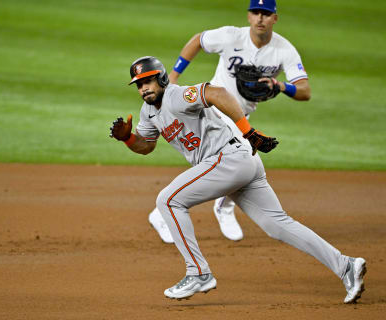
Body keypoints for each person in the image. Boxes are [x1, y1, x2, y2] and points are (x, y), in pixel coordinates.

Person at [109, 55, 367, 303]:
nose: (143, 88)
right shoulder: (148, 113)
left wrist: (248, 130)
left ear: (162, 78)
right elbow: (147, 146)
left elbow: (217, 93)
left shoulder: (177, 95)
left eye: (148, 81)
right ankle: (346, 266)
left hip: (227, 158)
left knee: (168, 200)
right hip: (236, 164)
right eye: (139, 84)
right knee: (276, 224)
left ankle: (198, 272)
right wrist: (128, 138)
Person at [148, 0, 311, 243]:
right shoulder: (230, 36)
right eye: (256, 12)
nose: (260, 18)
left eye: (266, 14)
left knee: (224, 164)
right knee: (235, 161)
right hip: (212, 109)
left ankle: (198, 207)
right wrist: (172, 76)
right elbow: (198, 41)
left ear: (275, 18)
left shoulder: (284, 50)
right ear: (248, 16)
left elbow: (304, 91)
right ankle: (183, 210)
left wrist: (281, 85)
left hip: (240, 116)